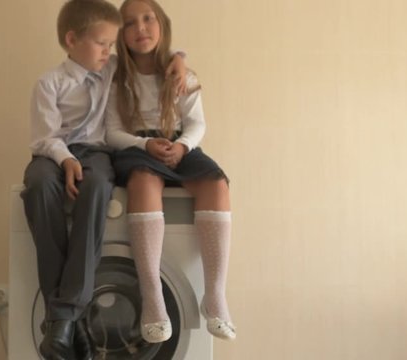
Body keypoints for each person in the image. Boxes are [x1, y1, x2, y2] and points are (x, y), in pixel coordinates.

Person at [21, 0, 187, 358]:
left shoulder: (112, 68)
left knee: (97, 186)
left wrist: (180, 58)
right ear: (71, 40)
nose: (109, 50)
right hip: (52, 154)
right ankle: (67, 317)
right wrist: (65, 160)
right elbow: (43, 138)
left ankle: (62, 319)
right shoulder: (48, 83)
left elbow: (149, 53)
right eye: (102, 43)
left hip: (96, 154)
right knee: (37, 186)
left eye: (112, 44)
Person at [105, 0, 237, 343]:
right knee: (143, 182)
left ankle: (215, 295)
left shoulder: (182, 75)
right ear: (121, 34)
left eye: (148, 19)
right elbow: (111, 132)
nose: (141, 29)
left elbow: (197, 124)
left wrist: (183, 147)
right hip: (136, 149)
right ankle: (152, 298)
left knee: (216, 184)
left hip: (180, 145)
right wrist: (143, 146)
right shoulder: (116, 77)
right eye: (130, 23)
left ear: (162, 23)